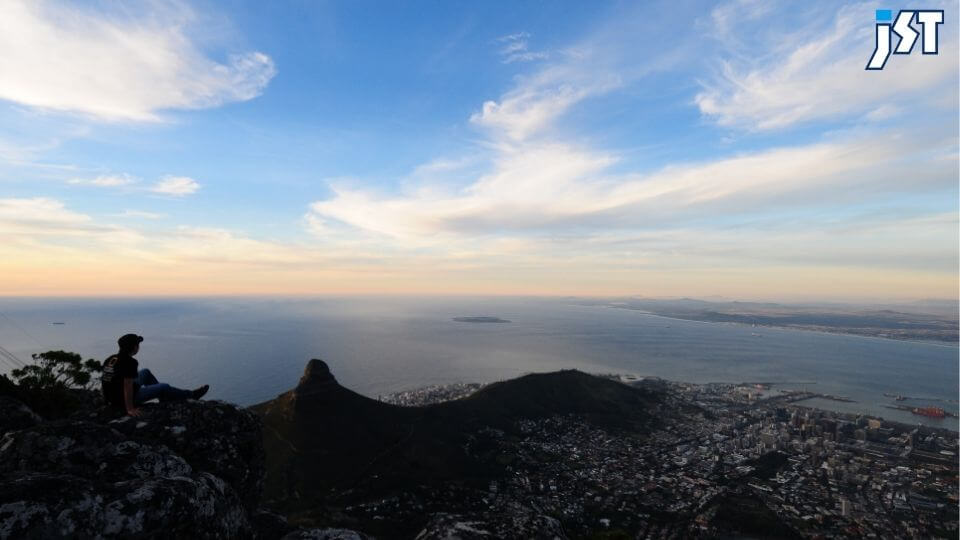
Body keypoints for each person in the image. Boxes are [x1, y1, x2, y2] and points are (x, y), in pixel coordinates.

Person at [101, 333, 209, 416]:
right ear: (134, 348)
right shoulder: (130, 362)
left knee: (145, 372)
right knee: (164, 386)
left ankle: (164, 397)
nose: (139, 346)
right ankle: (191, 395)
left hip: (113, 398)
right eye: (138, 344)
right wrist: (130, 408)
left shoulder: (111, 358)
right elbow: (127, 385)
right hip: (125, 400)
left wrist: (107, 401)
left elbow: (105, 380)